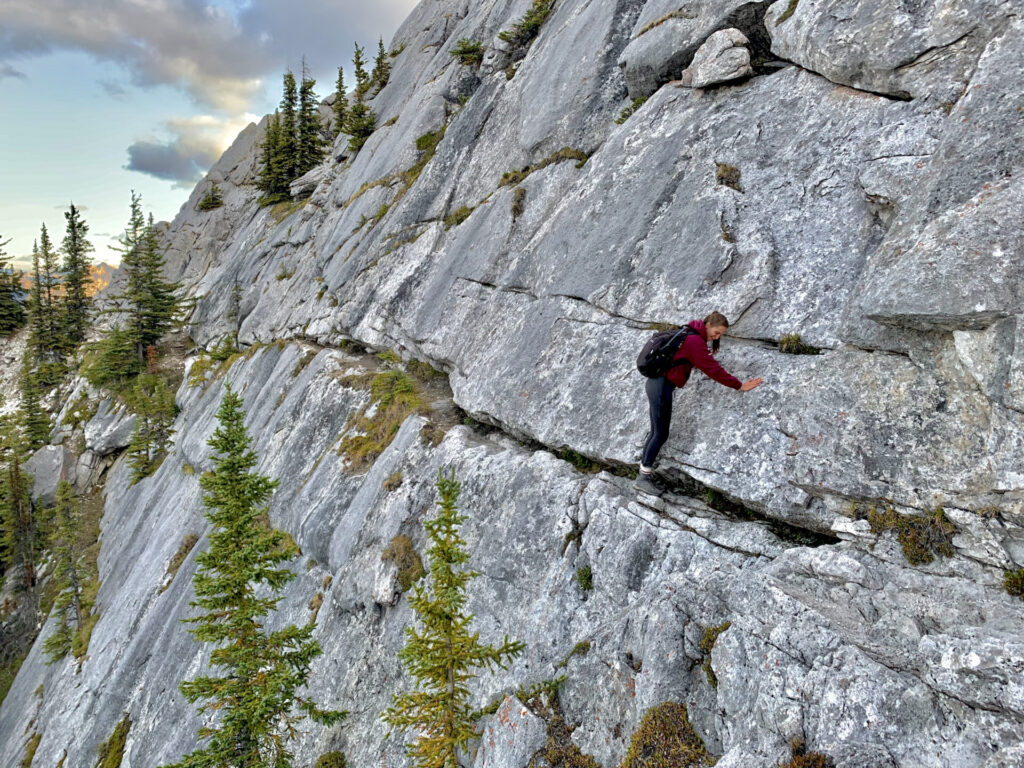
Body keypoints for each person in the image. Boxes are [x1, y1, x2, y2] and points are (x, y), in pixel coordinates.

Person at [635, 311, 763, 496]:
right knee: (660, 433)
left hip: (656, 384)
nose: (717, 337)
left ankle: (643, 474)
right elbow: (713, 370)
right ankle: (643, 477)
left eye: (720, 335)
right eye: (716, 332)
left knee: (657, 431)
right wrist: (739, 385)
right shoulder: (695, 342)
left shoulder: (690, 333)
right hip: (661, 387)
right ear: (708, 324)